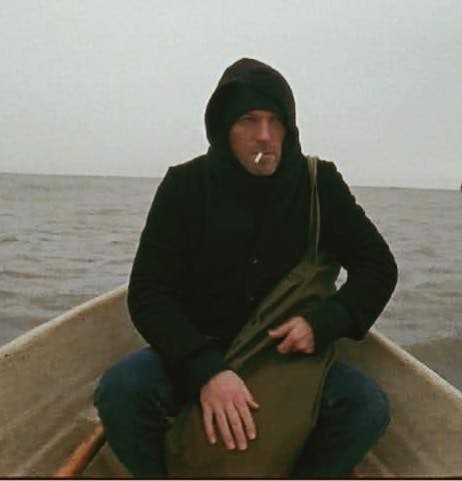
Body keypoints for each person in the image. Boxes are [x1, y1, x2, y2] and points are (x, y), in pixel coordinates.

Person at [94, 58, 398, 478]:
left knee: (366, 407)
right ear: (223, 128)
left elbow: (378, 266)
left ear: (290, 128)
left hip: (288, 360)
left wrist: (324, 323)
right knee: (121, 390)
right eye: (249, 120)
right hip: (198, 351)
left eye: (276, 121)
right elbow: (149, 293)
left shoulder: (319, 184)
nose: (265, 135)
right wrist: (205, 370)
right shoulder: (185, 186)